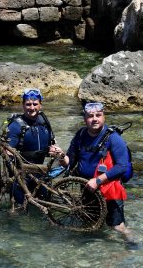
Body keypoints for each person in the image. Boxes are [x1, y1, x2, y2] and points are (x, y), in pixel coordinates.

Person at [49, 102, 134, 243]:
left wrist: (98, 180)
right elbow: (69, 162)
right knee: (89, 222)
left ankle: (132, 245)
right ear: (85, 119)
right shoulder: (81, 135)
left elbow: (122, 166)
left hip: (109, 189)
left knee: (117, 227)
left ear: (103, 117)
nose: (95, 119)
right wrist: (61, 156)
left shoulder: (113, 138)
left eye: (98, 115)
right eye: (90, 116)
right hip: (87, 187)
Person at [7, 88, 56, 205]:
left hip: (40, 173)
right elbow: (7, 152)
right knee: (21, 210)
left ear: (40, 105)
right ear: (23, 105)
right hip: (21, 176)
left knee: (46, 206)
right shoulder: (16, 125)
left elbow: (52, 143)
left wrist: (55, 150)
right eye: (28, 104)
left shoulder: (44, 121)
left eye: (35, 104)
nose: (32, 108)